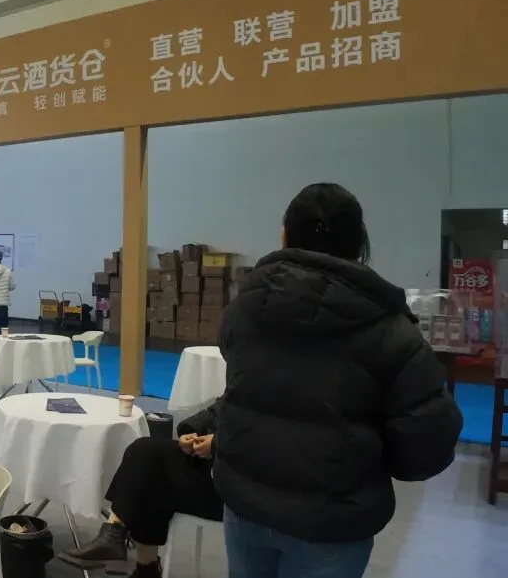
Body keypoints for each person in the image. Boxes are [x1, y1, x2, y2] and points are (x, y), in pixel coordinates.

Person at [215, 183, 463, 578]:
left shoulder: (243, 309)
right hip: (332, 522)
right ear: (359, 243)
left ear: (285, 235)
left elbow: (240, 387)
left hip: (245, 506)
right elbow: (427, 442)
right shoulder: (391, 330)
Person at [58, 402, 223, 578]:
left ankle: (123, 546)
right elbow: (224, 405)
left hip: (237, 485)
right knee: (144, 452)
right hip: (220, 457)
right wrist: (193, 431)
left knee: (154, 475)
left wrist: (216, 443)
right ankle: (124, 545)